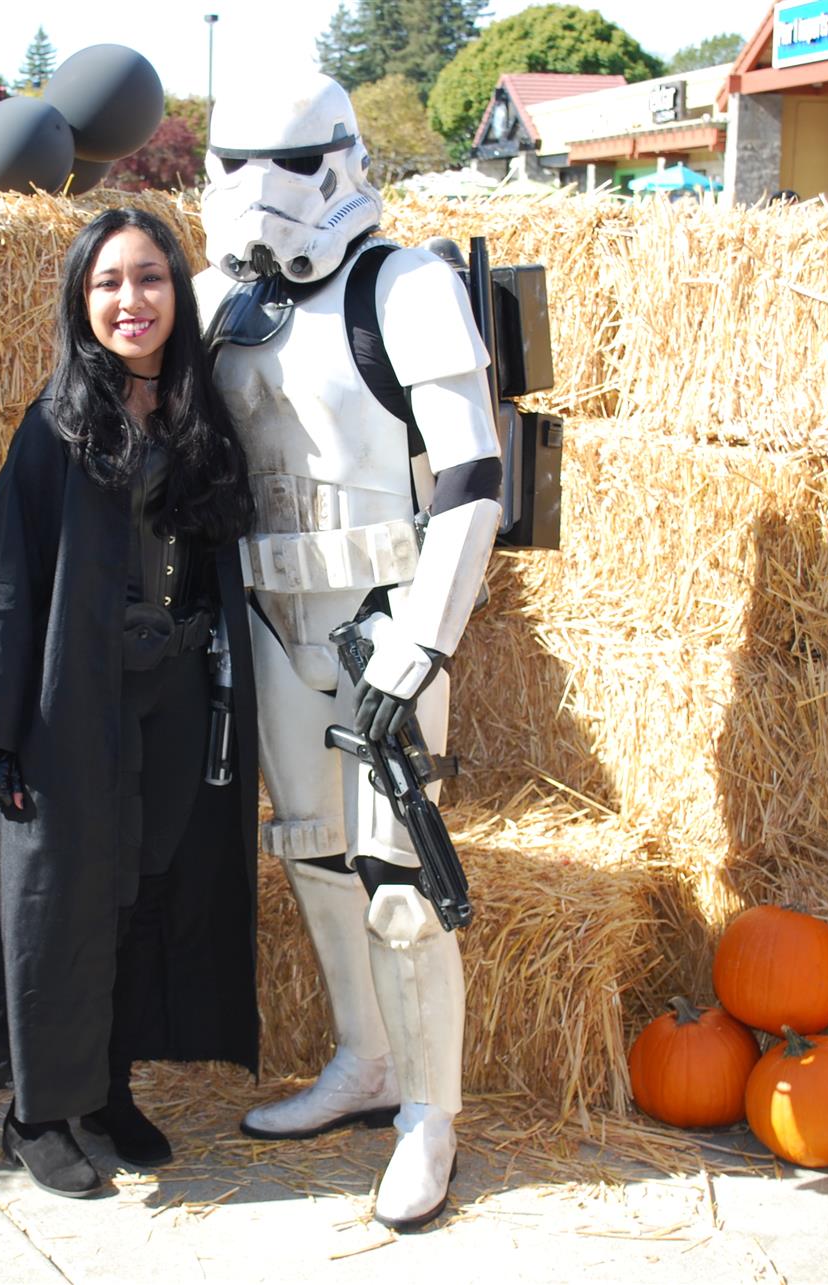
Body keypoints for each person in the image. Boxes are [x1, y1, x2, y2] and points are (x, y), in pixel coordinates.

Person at [194, 73, 500, 1230]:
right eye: (229, 165)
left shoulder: (406, 284)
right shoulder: (224, 297)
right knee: (314, 856)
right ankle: (364, 1061)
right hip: (270, 617)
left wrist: (422, 641)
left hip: (382, 611)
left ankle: (431, 1110)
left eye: (276, 163)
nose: (250, 193)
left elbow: (474, 481)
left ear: (340, 161)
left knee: (404, 885)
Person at [0, 208, 260, 1200]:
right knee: (61, 899)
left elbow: (218, 562)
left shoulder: (198, 419)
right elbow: (2, 574)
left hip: (171, 697)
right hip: (71, 702)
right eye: (110, 283)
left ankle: (106, 1092)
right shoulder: (54, 427)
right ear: (83, 304)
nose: (134, 301)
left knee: (142, 890)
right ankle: (35, 1111)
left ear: (179, 292)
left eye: (153, 278)